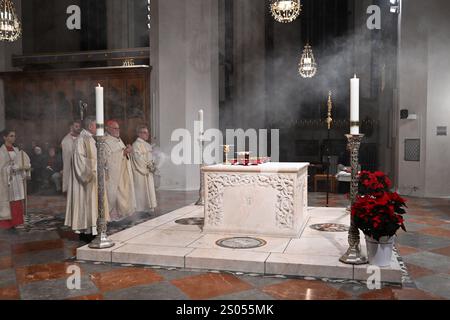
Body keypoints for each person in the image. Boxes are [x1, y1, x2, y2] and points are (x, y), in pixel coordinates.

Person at [65, 117, 108, 242]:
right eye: (97, 125)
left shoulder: (92, 138)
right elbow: (79, 161)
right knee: (87, 204)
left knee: (95, 204)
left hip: (94, 178)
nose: (101, 129)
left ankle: (95, 230)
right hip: (86, 181)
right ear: (90, 126)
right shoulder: (81, 139)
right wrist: (95, 165)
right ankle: (86, 232)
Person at [104, 120, 136, 221]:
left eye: (118, 128)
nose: (117, 130)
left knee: (124, 193)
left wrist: (127, 150)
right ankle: (112, 216)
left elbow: (121, 153)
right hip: (114, 175)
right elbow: (107, 159)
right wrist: (123, 152)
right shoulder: (105, 141)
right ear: (107, 128)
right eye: (115, 128)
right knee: (114, 194)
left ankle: (122, 213)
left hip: (123, 173)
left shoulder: (118, 139)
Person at [0, 130, 31, 230]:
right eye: (11, 136)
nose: (14, 138)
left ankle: (16, 222)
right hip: (8, 181)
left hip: (17, 179)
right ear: (5, 137)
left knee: (17, 201)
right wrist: (11, 168)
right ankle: (7, 223)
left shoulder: (16, 150)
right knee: (9, 202)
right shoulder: (1, 152)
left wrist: (24, 168)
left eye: (14, 136)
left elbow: (22, 162)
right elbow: (1, 169)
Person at [131, 125, 158, 212]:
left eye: (147, 132)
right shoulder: (135, 145)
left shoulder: (147, 144)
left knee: (149, 190)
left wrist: (153, 163)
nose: (147, 134)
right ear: (139, 134)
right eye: (145, 133)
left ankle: (149, 208)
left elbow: (151, 157)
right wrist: (148, 166)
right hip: (140, 172)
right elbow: (137, 158)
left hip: (148, 171)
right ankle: (141, 209)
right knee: (141, 191)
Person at [61, 120, 82, 193]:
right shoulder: (65, 141)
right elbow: (67, 157)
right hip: (70, 168)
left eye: (79, 126)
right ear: (71, 127)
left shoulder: (82, 138)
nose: (78, 128)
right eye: (76, 126)